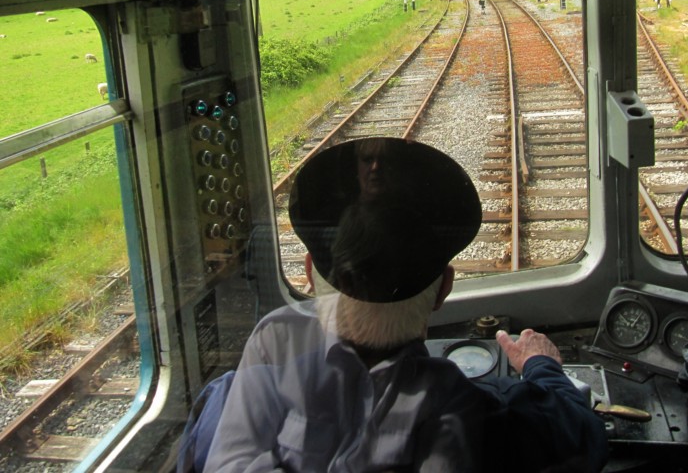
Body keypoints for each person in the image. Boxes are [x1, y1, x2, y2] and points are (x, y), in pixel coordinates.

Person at [203, 138, 608, 472]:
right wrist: (542, 366)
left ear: (310, 273)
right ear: (443, 288)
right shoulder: (461, 403)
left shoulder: (273, 346)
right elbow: (581, 433)